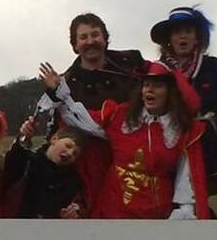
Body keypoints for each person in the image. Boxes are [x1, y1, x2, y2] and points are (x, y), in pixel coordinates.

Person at [41, 60, 210, 220]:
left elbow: (186, 176)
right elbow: (81, 120)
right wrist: (59, 92)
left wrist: (184, 210)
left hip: (156, 218)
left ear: (169, 92)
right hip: (113, 211)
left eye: (157, 86)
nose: (149, 90)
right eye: (146, 85)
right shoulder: (121, 117)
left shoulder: (180, 131)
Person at [35, 12, 145, 206]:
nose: (90, 41)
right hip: (87, 163)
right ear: (75, 44)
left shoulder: (131, 63)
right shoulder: (65, 84)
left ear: (105, 38)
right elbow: (50, 129)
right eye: (83, 37)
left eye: (95, 35)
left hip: (133, 156)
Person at [151, 6, 217, 190]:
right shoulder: (158, 69)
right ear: (169, 39)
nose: (182, 37)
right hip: (167, 141)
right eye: (177, 32)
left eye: (188, 31)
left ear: (197, 37)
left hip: (203, 144)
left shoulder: (212, 66)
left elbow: (214, 97)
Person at [3, 120, 88, 219]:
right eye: (68, 146)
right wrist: (24, 136)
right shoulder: (28, 161)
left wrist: (69, 214)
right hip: (18, 224)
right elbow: (11, 163)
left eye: (75, 154)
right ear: (54, 139)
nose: (70, 153)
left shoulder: (72, 179)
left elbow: (74, 206)